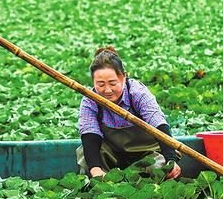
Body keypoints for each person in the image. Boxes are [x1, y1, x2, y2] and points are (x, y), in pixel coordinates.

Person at [77, 47, 182, 180]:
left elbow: (159, 125)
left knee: (159, 165)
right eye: (101, 84)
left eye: (112, 83)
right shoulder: (90, 100)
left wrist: (171, 159)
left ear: (123, 77)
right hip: (112, 156)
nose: (107, 90)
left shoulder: (137, 93)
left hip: (147, 153)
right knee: (85, 155)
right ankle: (105, 185)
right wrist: (95, 169)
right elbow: (90, 135)